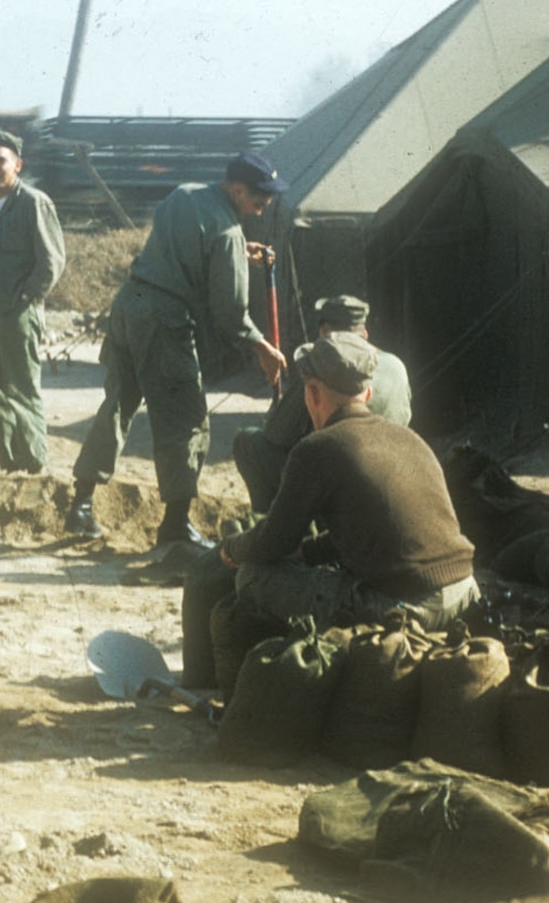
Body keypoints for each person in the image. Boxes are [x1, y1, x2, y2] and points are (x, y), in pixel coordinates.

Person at [66, 152, 289, 548]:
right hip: (164, 321)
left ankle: (80, 506)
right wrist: (264, 349)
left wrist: (238, 252)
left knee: (117, 405)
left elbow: (186, 244)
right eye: (258, 200)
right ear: (237, 189)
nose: (262, 208)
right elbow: (231, 314)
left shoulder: (183, 195)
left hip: (128, 306)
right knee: (185, 420)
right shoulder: (228, 234)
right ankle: (175, 527)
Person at [218, 332, 478, 630]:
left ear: (313, 394)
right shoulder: (410, 438)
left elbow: (272, 541)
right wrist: (309, 552)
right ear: (367, 395)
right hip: (465, 592)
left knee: (252, 576)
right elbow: (376, 532)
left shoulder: (316, 448)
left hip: (407, 609)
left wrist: (231, 549)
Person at [231, 293, 412, 513]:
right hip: (387, 481)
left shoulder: (322, 364)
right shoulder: (397, 366)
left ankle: (272, 526)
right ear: (364, 334)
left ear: (324, 333)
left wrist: (278, 408)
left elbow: (276, 435)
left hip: (340, 490)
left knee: (249, 443)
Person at [0, 128, 67, 474]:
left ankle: (34, 463)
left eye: (1, 161)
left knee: (22, 388)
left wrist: (28, 297)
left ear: (17, 164)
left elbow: (52, 261)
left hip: (18, 308)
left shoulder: (33, 202)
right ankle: (9, 463)